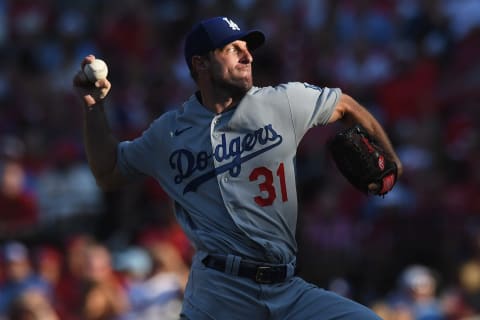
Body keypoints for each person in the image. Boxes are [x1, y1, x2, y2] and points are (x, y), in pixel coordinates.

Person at [73, 16, 403, 320]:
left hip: (286, 287)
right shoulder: (169, 134)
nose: (247, 57)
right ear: (200, 64)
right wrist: (94, 109)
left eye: (247, 49)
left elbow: (344, 104)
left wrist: (393, 161)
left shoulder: (281, 102)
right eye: (233, 49)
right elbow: (109, 171)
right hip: (220, 295)